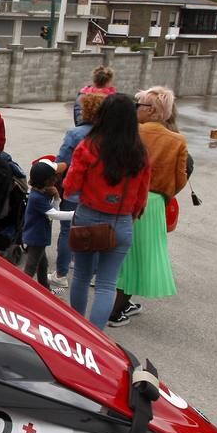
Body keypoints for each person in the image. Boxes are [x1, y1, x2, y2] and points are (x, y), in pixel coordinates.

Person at [62, 93, 151, 330]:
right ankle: (96, 336)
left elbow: (70, 186)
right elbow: (142, 197)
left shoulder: (88, 146)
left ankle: (76, 329)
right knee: (106, 284)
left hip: (88, 216)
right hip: (120, 222)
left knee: (81, 276)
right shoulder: (140, 153)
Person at [111, 87, 187, 327]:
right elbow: (180, 178)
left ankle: (115, 307)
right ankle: (116, 310)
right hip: (154, 203)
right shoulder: (176, 140)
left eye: (139, 105)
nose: (135, 110)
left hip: (126, 196)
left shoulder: (131, 133)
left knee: (125, 256)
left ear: (151, 110)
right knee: (139, 258)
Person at [52, 90, 106, 287]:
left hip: (74, 191)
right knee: (96, 232)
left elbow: (62, 162)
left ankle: (61, 274)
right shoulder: (109, 135)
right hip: (99, 194)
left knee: (67, 231)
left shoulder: (76, 134)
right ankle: (94, 274)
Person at [21, 162, 72, 289]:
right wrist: (75, 214)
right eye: (54, 176)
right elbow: (54, 214)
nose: (57, 178)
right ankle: (22, 289)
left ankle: (45, 289)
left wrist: (56, 198)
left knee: (42, 265)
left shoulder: (42, 193)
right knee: (31, 267)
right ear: (46, 180)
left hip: (40, 235)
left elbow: (54, 209)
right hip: (36, 237)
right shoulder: (37, 197)